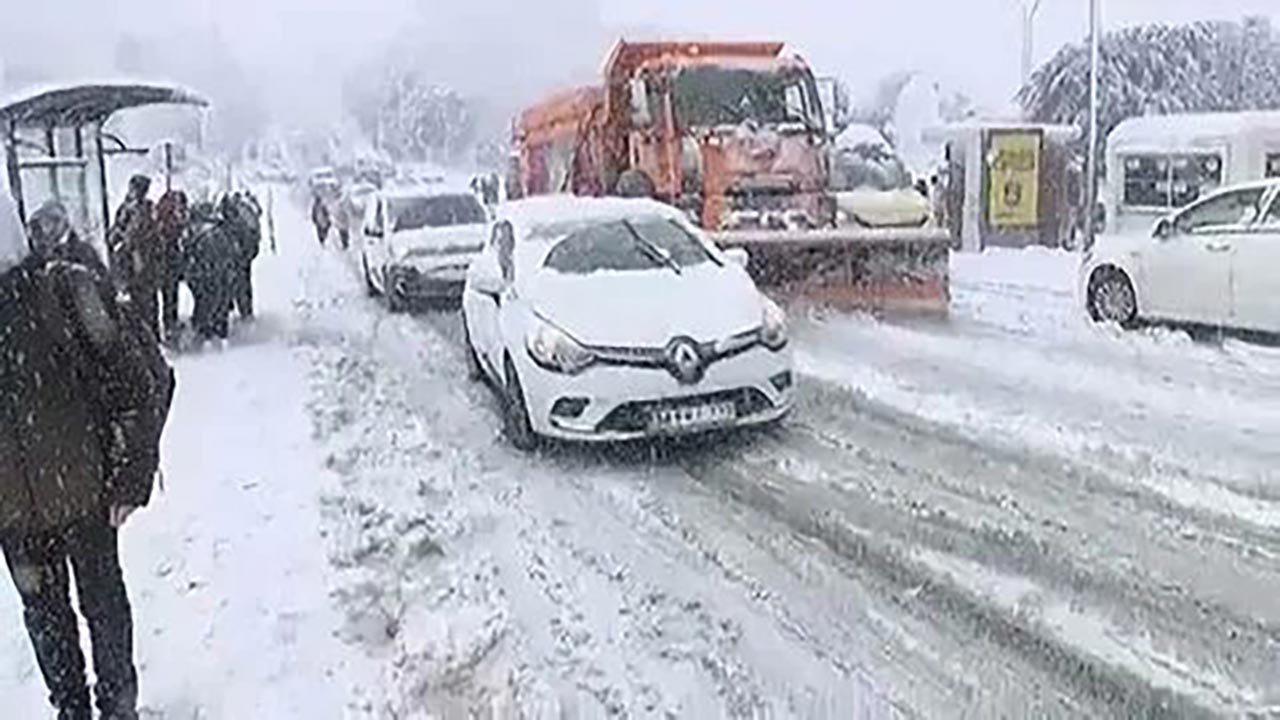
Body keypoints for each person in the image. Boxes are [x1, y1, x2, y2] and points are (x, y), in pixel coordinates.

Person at [1, 185, 170, 720]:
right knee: (47, 618)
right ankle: (73, 710)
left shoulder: (65, 292)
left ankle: (117, 708)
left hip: (85, 496)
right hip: (16, 514)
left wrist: (132, 476)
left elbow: (143, 381)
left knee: (100, 605)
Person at [108, 175, 163, 339]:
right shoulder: (133, 209)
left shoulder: (138, 209)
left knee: (145, 303)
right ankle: (146, 336)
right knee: (143, 303)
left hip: (142, 265)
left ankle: (148, 336)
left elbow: (149, 235)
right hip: (137, 265)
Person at [184, 201, 238, 342]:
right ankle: (220, 332)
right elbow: (233, 254)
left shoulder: (195, 232)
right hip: (222, 274)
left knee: (203, 303)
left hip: (203, 276)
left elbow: (188, 256)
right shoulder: (222, 231)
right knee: (221, 303)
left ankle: (203, 333)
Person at [26, 200, 109, 278]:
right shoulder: (36, 257)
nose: (41, 232)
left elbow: (103, 280)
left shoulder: (84, 252)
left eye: (47, 224)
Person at [155, 189, 190, 341]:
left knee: (166, 296)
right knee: (171, 295)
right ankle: (170, 325)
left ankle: (166, 325)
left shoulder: (159, 217)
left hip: (160, 263)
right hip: (171, 261)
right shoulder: (175, 218)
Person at [220, 192, 261, 319]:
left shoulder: (240, 223)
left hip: (241, 259)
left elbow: (249, 244)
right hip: (238, 259)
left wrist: (241, 259)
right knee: (239, 284)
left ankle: (244, 311)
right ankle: (243, 310)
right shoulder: (238, 220)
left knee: (240, 284)